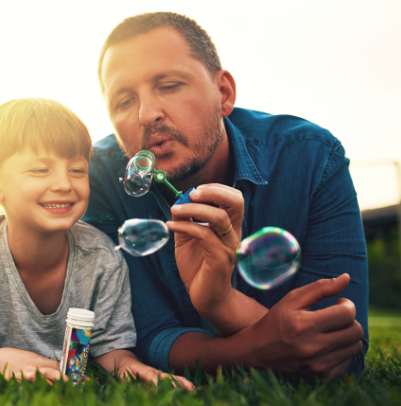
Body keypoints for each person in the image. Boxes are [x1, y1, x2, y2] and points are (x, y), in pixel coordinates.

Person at [82, 12, 368, 381]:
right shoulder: (97, 177)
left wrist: (224, 304)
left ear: (224, 93)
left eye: (168, 85)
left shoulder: (313, 159)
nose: (146, 114)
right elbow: (146, 335)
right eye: (123, 101)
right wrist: (255, 347)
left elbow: (342, 353)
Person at [0, 98, 194, 389]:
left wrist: (134, 369)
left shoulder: (102, 257)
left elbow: (111, 351)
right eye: (40, 170)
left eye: (77, 170)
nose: (64, 184)